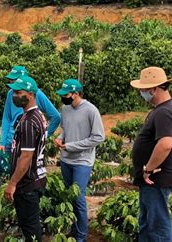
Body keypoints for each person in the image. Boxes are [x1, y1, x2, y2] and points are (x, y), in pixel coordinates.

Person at [0, 65, 60, 205]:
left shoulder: (36, 95)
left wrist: (44, 136)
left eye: (16, 81)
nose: (13, 87)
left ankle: (17, 205)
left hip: (26, 143)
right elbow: (7, 118)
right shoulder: (11, 95)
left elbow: (55, 116)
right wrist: (2, 141)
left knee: (23, 175)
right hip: (9, 142)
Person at [130, 67, 172, 241]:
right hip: (151, 180)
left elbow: (165, 144)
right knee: (147, 222)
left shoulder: (164, 112)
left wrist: (148, 169)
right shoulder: (163, 109)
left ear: (154, 88)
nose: (142, 93)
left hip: (155, 178)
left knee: (158, 225)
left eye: (144, 89)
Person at [54, 79, 105, 242]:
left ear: (76, 94)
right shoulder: (65, 108)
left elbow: (98, 137)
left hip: (82, 161)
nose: (64, 98)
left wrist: (72, 146)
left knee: (78, 197)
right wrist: (60, 138)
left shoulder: (91, 110)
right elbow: (65, 129)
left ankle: (82, 235)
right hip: (66, 159)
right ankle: (74, 231)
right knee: (70, 197)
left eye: (66, 95)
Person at [3, 75, 47, 242]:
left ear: (30, 94)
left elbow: (26, 157)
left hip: (27, 182)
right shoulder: (37, 116)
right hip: (36, 178)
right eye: (14, 92)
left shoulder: (29, 121)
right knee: (31, 226)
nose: (14, 95)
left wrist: (12, 183)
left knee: (30, 229)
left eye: (19, 92)